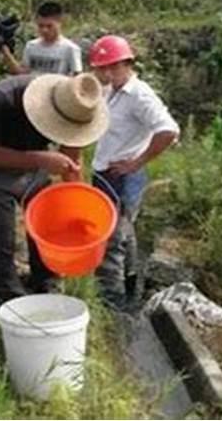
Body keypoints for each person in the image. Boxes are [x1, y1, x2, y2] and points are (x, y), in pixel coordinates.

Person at [0, 72, 108, 306]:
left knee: (47, 223)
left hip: (36, 164)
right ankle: (8, 298)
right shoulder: (0, 99)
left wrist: (78, 206)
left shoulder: (76, 106)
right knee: (1, 239)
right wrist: (41, 159)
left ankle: (45, 280)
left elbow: (71, 161)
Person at [88, 36, 179, 312]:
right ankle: (129, 285)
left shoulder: (139, 95)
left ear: (128, 64)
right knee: (124, 234)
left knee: (112, 237)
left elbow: (169, 131)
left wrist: (136, 162)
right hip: (105, 171)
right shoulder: (109, 90)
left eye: (112, 67)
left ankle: (112, 301)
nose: (105, 73)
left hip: (124, 176)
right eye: (101, 68)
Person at [1, 1, 82, 76]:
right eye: (41, 26)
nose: (44, 30)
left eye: (49, 26)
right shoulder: (31, 46)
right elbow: (21, 74)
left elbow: (77, 79)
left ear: (60, 23)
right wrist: (6, 53)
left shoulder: (70, 49)